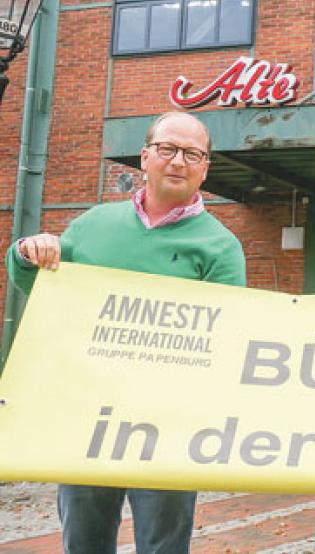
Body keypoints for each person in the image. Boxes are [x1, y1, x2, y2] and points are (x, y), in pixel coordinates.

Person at [6, 111, 246, 553]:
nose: (178, 161)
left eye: (192, 154)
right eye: (168, 149)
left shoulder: (221, 247)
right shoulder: (92, 226)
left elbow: (226, 337)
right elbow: (40, 287)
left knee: (163, 546)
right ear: (145, 156)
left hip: (169, 425)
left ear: (205, 167)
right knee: (84, 542)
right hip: (88, 418)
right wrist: (26, 253)